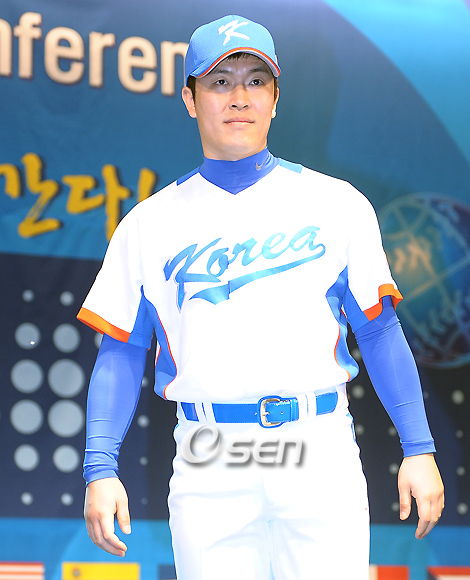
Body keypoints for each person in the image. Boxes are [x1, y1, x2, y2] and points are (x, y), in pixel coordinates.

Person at [78, 14, 444, 580]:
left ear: (275, 98)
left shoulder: (337, 204)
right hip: (209, 450)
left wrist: (419, 448)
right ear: (189, 99)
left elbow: (378, 330)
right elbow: (121, 350)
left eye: (256, 80)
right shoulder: (147, 224)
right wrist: (100, 468)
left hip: (315, 443)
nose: (239, 97)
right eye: (220, 82)